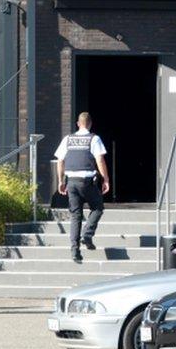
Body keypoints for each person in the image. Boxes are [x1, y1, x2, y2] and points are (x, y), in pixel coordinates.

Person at [55, 112, 110, 263]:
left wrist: (60, 181)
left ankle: (75, 251)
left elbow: (60, 160)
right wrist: (105, 179)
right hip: (87, 182)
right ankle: (87, 234)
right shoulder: (94, 138)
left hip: (71, 181)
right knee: (98, 208)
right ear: (90, 124)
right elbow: (100, 160)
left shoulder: (68, 139)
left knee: (75, 216)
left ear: (78, 124)